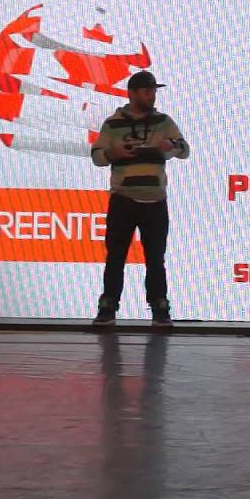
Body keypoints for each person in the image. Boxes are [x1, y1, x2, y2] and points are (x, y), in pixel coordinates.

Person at [90, 70, 190, 326]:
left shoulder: (163, 121)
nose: (152, 96)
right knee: (116, 256)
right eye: (147, 91)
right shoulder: (113, 123)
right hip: (123, 199)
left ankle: (160, 307)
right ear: (132, 93)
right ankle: (108, 306)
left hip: (155, 201)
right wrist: (113, 153)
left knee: (156, 258)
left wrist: (172, 147)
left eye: (154, 91)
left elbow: (185, 150)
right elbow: (97, 157)